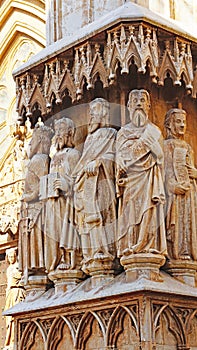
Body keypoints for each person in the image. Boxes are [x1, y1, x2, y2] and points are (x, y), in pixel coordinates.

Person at [116, 89, 167, 257]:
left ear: (148, 105)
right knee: (130, 213)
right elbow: (120, 158)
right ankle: (131, 245)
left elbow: (160, 158)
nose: (139, 103)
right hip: (131, 181)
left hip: (149, 179)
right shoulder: (123, 132)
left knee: (149, 210)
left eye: (142, 100)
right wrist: (121, 163)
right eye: (135, 101)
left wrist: (153, 148)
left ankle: (147, 244)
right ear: (129, 106)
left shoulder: (154, 131)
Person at [73, 98, 117, 266]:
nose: (91, 115)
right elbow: (83, 161)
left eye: (95, 111)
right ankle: (89, 254)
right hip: (86, 183)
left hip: (102, 181)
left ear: (104, 113)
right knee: (86, 220)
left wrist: (99, 162)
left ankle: (104, 251)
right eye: (90, 112)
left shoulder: (110, 134)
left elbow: (115, 157)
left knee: (101, 216)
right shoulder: (90, 138)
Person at [44, 117, 81, 272]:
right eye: (56, 131)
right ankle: (57, 260)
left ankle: (70, 259)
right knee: (54, 233)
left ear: (70, 133)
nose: (57, 134)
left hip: (67, 202)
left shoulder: (73, 154)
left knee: (67, 228)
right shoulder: (52, 159)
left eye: (61, 130)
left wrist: (67, 186)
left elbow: (78, 180)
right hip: (52, 202)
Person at [18, 123, 53, 284]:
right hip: (34, 210)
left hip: (36, 210)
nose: (29, 143)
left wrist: (28, 196)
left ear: (40, 141)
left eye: (32, 139)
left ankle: (38, 268)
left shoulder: (39, 160)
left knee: (36, 249)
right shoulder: (41, 159)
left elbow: (44, 185)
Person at [164, 108, 197, 260]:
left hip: (188, 191)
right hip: (173, 192)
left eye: (184, 122)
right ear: (169, 125)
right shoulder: (166, 145)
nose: (182, 125)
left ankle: (187, 251)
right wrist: (171, 185)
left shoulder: (187, 147)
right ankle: (175, 254)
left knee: (187, 222)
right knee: (175, 221)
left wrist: (195, 174)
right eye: (178, 121)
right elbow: (164, 170)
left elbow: (191, 168)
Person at [4, 248, 25, 349]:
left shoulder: (18, 267)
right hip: (10, 294)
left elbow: (23, 278)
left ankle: (16, 338)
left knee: (15, 316)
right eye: (9, 257)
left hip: (17, 293)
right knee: (9, 319)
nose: (11, 258)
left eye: (13, 256)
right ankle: (10, 340)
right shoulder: (8, 269)